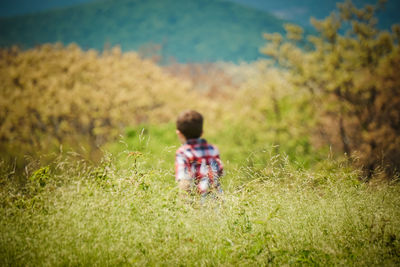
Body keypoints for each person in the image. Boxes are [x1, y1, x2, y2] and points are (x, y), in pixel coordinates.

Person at [175, 110, 224, 198]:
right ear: (202, 132)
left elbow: (184, 181)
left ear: (179, 134)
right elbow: (220, 173)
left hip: (196, 203)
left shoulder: (183, 152)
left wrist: (182, 203)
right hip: (216, 201)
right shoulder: (213, 149)